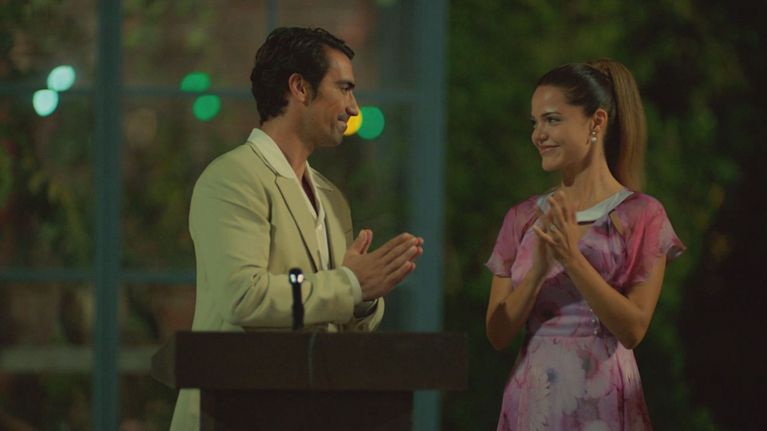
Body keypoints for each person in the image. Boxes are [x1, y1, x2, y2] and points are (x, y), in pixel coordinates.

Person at [170, 27, 424, 430]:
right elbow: (245, 297)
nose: (353, 108)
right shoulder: (233, 178)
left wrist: (363, 298)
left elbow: (335, 318)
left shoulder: (331, 198)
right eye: (344, 88)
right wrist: (351, 284)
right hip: (233, 413)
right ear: (300, 88)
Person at [485, 59, 685, 430]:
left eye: (552, 120)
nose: (539, 135)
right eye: (535, 123)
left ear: (596, 122)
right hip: (535, 401)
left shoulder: (642, 215)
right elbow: (497, 334)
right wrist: (537, 272)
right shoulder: (522, 218)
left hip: (602, 401)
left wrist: (571, 260)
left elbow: (633, 329)